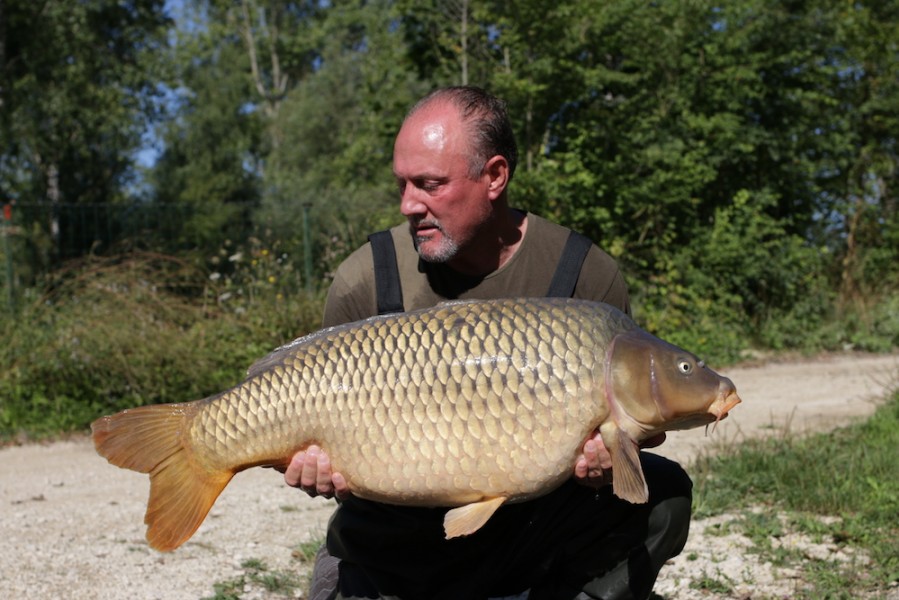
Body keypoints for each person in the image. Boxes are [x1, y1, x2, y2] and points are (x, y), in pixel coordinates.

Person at [283, 86, 692, 600]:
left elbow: (631, 417)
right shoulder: (367, 278)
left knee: (665, 494)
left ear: (494, 176)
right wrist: (316, 468)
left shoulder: (583, 272)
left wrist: (607, 462)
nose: (410, 204)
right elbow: (332, 453)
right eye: (403, 184)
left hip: (532, 532)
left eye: (430, 184)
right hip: (394, 545)